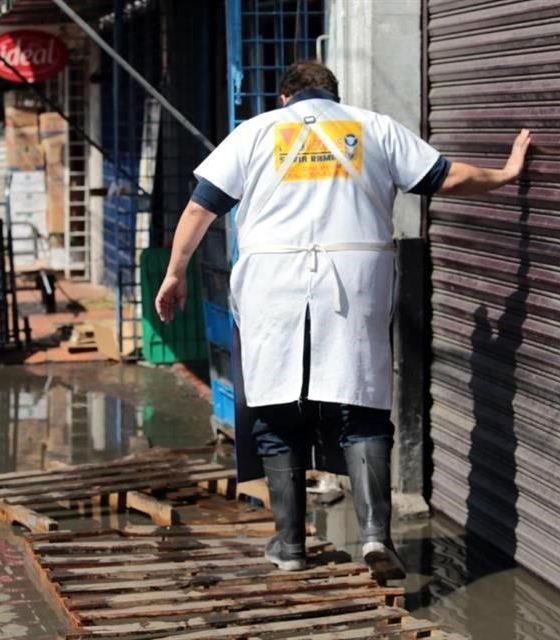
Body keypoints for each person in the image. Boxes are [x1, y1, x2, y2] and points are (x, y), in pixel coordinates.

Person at [155, 61, 531, 579]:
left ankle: (289, 547)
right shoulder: (372, 126)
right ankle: (375, 538)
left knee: (276, 406)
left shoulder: (256, 132)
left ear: (285, 97)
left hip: (271, 280)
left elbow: (201, 209)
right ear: (334, 95)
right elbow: (447, 177)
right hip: (356, 275)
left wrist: (175, 273)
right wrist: (505, 174)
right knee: (362, 402)